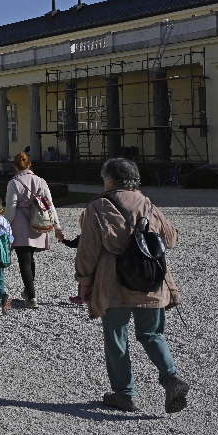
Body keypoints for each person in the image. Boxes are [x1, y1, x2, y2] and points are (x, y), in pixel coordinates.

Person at [76, 158, 189, 414]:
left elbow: (88, 250)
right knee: (152, 334)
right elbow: (171, 239)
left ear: (109, 181)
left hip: (113, 281)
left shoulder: (99, 206)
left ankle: (124, 393)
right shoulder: (148, 204)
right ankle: (171, 378)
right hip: (150, 279)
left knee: (116, 338)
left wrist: (84, 281)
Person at [3, 152, 63, 309]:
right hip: (38, 222)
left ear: (15, 167)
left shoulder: (14, 182)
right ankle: (28, 291)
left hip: (20, 224)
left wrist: (4, 227)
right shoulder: (41, 181)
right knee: (30, 260)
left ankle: (31, 297)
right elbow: (50, 206)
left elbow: (11, 209)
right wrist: (57, 227)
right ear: (29, 164)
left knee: (24, 262)